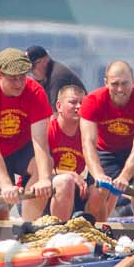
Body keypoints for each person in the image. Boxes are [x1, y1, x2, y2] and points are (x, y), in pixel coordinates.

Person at [0, 48, 55, 222]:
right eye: (12, 79)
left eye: (22, 77)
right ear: (0, 74)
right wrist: (6, 186)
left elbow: (40, 142)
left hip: (21, 147)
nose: (18, 84)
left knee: (45, 167)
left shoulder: (35, 92)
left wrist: (45, 179)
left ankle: (28, 225)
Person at [82, 59, 134, 222]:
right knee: (98, 192)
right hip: (106, 149)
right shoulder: (92, 101)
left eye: (125, 83)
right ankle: (95, 231)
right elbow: (88, 142)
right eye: (115, 84)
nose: (120, 89)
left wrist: (125, 176)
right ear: (106, 83)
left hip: (133, 147)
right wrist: (98, 174)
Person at [40, 84, 92, 222]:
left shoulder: (87, 133)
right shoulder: (47, 130)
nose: (79, 107)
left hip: (69, 191)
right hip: (41, 189)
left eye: (82, 103)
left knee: (100, 188)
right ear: (59, 106)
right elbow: (36, 168)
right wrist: (70, 174)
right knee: (66, 181)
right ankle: (58, 234)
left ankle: (96, 232)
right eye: (73, 102)